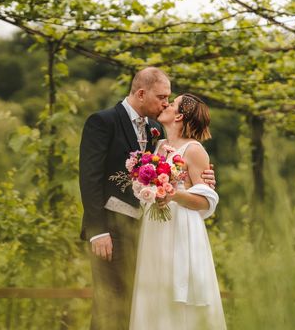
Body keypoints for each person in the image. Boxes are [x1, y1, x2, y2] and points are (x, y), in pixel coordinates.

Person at [79, 68, 215, 330]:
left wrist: (205, 179)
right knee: (110, 305)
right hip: (111, 230)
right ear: (141, 93)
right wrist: (97, 231)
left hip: (148, 233)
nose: (166, 102)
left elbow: (180, 168)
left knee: (138, 307)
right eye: (162, 96)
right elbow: (89, 178)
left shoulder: (156, 130)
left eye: (169, 99)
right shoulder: (103, 121)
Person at [129, 93, 226, 329]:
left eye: (172, 103)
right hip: (155, 228)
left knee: (178, 293)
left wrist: (172, 193)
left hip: (181, 228)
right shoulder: (159, 145)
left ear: (179, 115)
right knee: (154, 289)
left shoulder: (194, 150)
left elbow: (206, 200)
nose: (166, 104)